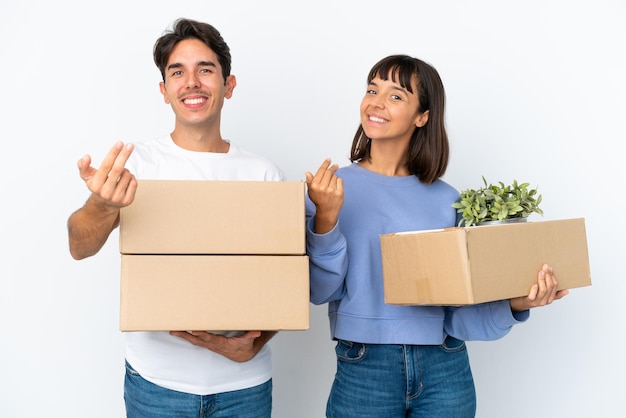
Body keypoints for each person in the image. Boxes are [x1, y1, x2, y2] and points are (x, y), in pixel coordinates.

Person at [304, 54, 569, 418]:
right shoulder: (330, 190)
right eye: (372, 90)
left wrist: (516, 304)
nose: (376, 103)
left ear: (422, 116)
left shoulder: (449, 201)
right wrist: (327, 218)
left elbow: (458, 315)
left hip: (446, 366)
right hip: (366, 365)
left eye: (396, 96)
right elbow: (319, 292)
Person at [67, 18, 283, 418]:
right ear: (164, 91)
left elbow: (285, 279)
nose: (192, 82)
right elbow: (79, 247)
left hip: (245, 389)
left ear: (228, 85)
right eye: (177, 72)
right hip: (157, 386)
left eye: (205, 69)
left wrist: (253, 343)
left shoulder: (263, 174)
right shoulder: (139, 165)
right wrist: (102, 204)